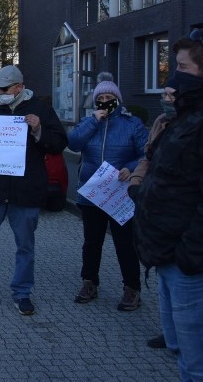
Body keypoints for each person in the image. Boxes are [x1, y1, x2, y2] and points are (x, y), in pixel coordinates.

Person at [0, 64, 68, 315]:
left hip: (26, 190)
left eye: (4, 89)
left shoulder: (40, 109)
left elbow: (59, 143)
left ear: (19, 87)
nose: (0, 93)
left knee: (25, 245)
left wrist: (39, 129)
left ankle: (22, 292)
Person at [129, 29, 203, 381]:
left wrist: (189, 254)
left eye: (182, 68)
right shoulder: (180, 122)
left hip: (187, 259)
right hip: (166, 251)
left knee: (195, 362)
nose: (173, 76)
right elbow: (157, 164)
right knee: (182, 351)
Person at [66, 73, 148, 310]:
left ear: (118, 99)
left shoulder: (131, 124)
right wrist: (94, 121)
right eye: (100, 97)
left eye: (109, 96)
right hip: (92, 194)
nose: (105, 100)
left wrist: (130, 168)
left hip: (119, 193)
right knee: (92, 242)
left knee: (124, 243)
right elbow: (73, 144)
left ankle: (132, 288)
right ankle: (89, 282)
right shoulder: (88, 122)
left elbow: (146, 153)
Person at [128, 86, 176, 349]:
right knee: (165, 280)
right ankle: (170, 334)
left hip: (179, 211)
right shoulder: (160, 121)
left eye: (171, 95)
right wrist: (136, 181)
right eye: (164, 95)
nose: (166, 100)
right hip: (155, 208)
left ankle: (184, 338)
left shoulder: (190, 126)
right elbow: (147, 156)